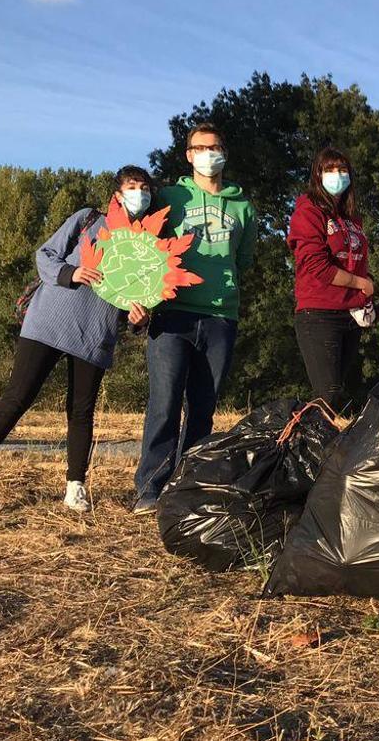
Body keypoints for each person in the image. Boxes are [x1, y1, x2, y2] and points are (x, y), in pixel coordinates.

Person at [0, 166, 155, 516]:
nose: (140, 193)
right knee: (17, 398)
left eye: (145, 188)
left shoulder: (147, 244)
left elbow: (141, 298)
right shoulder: (88, 220)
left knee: (81, 410)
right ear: (117, 194)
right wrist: (70, 273)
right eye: (132, 186)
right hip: (48, 322)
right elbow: (45, 255)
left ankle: (75, 487)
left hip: (94, 333)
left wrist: (140, 318)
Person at [133, 123, 257, 514]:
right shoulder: (170, 197)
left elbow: (245, 259)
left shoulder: (243, 206)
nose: (208, 154)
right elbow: (139, 242)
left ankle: (186, 486)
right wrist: (137, 296)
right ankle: (149, 489)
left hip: (221, 315)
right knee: (165, 402)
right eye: (200, 148)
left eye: (215, 147)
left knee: (203, 407)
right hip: (173, 313)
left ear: (225, 152)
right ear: (188, 155)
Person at [289, 147, 373, 412]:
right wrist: (361, 283)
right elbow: (316, 265)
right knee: (327, 394)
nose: (337, 175)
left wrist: (365, 283)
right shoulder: (308, 212)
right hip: (319, 312)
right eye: (330, 170)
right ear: (317, 174)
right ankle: (313, 447)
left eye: (343, 170)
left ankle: (333, 446)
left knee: (342, 394)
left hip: (351, 312)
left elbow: (358, 260)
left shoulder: (351, 218)